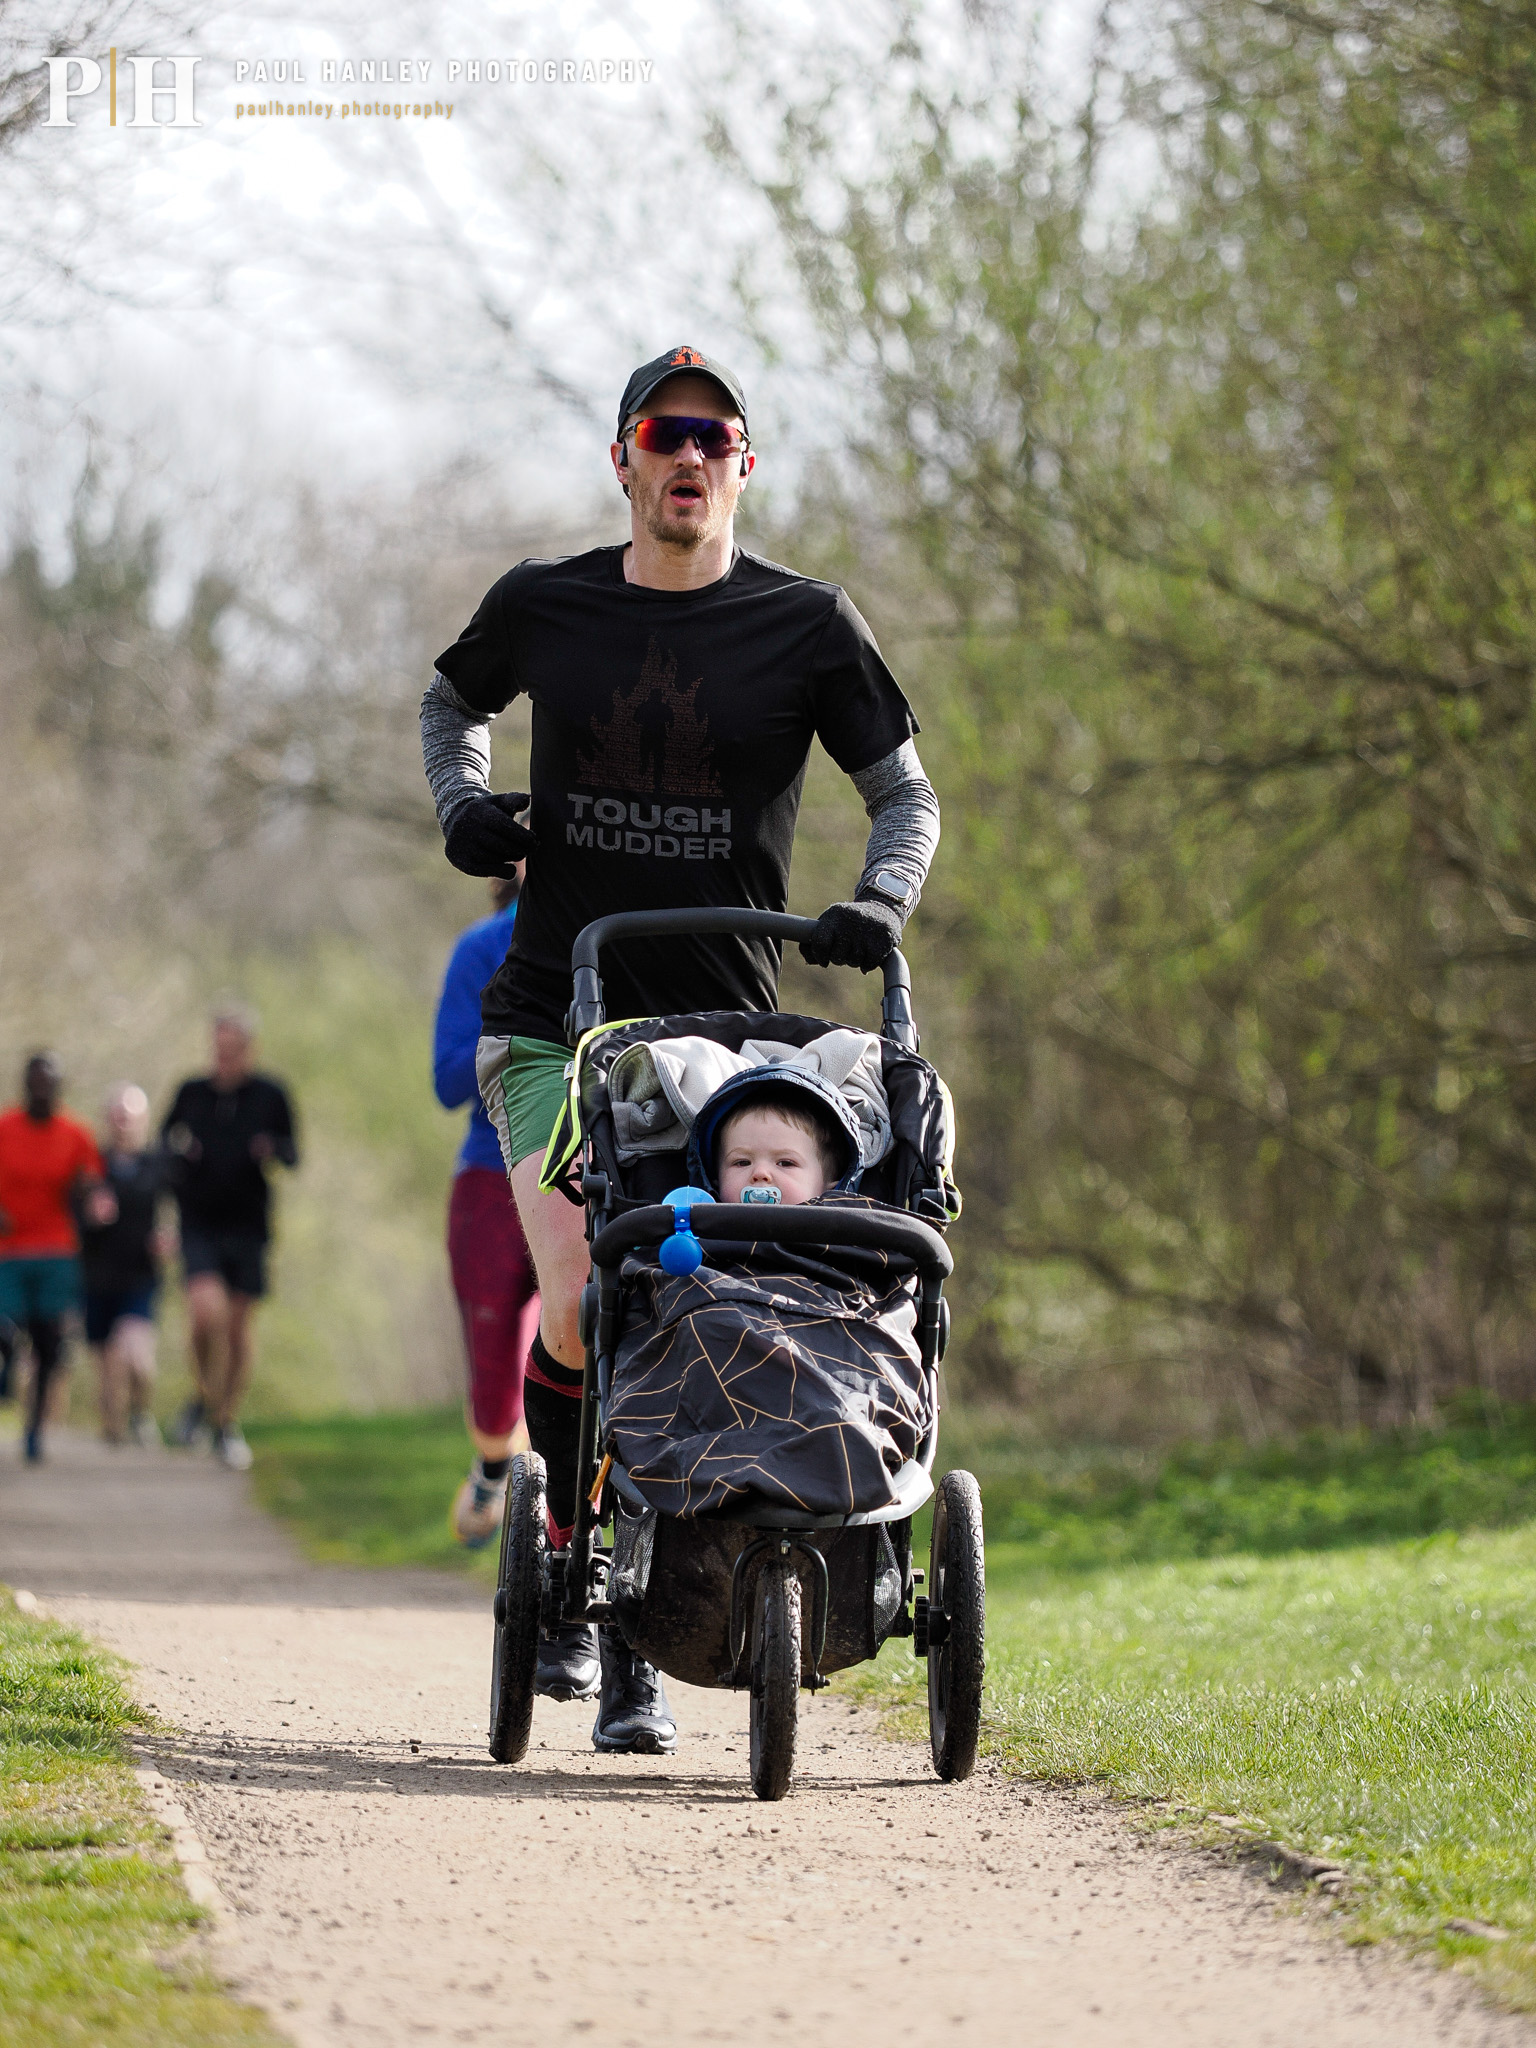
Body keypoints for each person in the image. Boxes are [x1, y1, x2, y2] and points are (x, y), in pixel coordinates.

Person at [421, 343, 940, 1754]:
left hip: (721, 1034)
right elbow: (449, 706)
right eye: (667, 435)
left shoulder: (808, 626)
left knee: (709, 1304)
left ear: (744, 465)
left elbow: (907, 800)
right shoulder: (547, 604)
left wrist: (877, 906)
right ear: (626, 458)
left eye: (717, 438)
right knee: (591, 1305)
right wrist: (463, 806)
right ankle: (598, 1606)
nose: (691, 458)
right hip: (552, 1023)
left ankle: (679, 1585)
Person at [433, 871, 541, 1553]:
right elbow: (447, 1078)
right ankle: (495, 1463)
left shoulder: (621, 932)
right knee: (496, 1350)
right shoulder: (482, 948)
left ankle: (562, 1488)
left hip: (594, 1171)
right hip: (490, 1170)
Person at [161, 1005, 298, 1470]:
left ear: (248, 1049)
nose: (224, 1057)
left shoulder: (270, 1094)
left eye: (233, 1049)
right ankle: (203, 1396)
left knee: (238, 1329)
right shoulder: (191, 1093)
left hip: (249, 1226)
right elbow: (163, 1145)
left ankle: (224, 1421)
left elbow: (292, 1152)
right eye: (218, 1048)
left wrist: (271, 1149)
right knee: (205, 1315)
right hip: (198, 1222)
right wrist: (180, 1158)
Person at [0, 1052, 113, 1463]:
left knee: (48, 1345)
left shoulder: (75, 1134)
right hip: (9, 1251)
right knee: (5, 1327)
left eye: (50, 1082)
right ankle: (6, 1371)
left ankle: (33, 1429)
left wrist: (92, 1198)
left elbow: (93, 1185)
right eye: (36, 1082)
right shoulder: (4, 1128)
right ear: (25, 1085)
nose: (42, 1089)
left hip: (57, 1251)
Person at [80, 1083, 173, 1447]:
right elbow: (73, 1214)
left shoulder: (158, 1166)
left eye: (130, 1116)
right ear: (107, 1119)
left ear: (144, 1121)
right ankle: (114, 1433)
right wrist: (91, 1216)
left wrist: (169, 1236)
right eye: (117, 1115)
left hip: (141, 1276)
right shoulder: (92, 1165)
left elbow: (177, 1211)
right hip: (97, 1275)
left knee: (135, 1357)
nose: (123, 1123)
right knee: (105, 1365)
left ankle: (140, 1411)